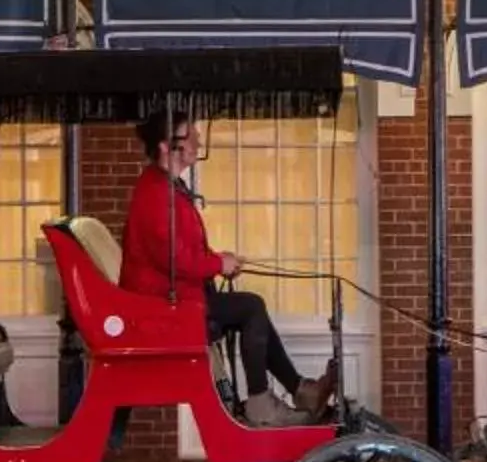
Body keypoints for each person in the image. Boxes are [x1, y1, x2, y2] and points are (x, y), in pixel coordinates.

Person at [121, 108, 340, 426]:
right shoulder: (156, 194)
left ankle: (298, 390)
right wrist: (217, 263)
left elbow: (183, 250)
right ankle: (262, 404)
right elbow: (174, 259)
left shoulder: (165, 188)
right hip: (164, 309)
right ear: (167, 147)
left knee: (251, 308)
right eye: (191, 134)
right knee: (251, 308)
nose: (199, 140)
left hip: (178, 299)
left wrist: (219, 260)